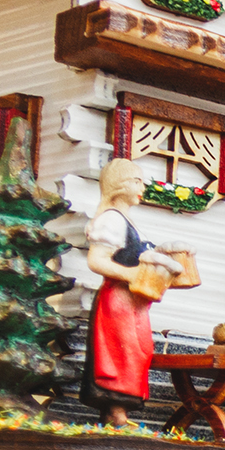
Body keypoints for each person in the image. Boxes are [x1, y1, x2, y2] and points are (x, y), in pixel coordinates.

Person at [83, 159, 191, 427]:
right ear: (119, 185)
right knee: (120, 355)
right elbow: (97, 261)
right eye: (137, 181)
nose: (143, 186)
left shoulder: (127, 221)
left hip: (134, 303)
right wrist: (132, 274)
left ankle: (119, 414)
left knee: (137, 352)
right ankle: (115, 413)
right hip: (117, 300)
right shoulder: (111, 219)